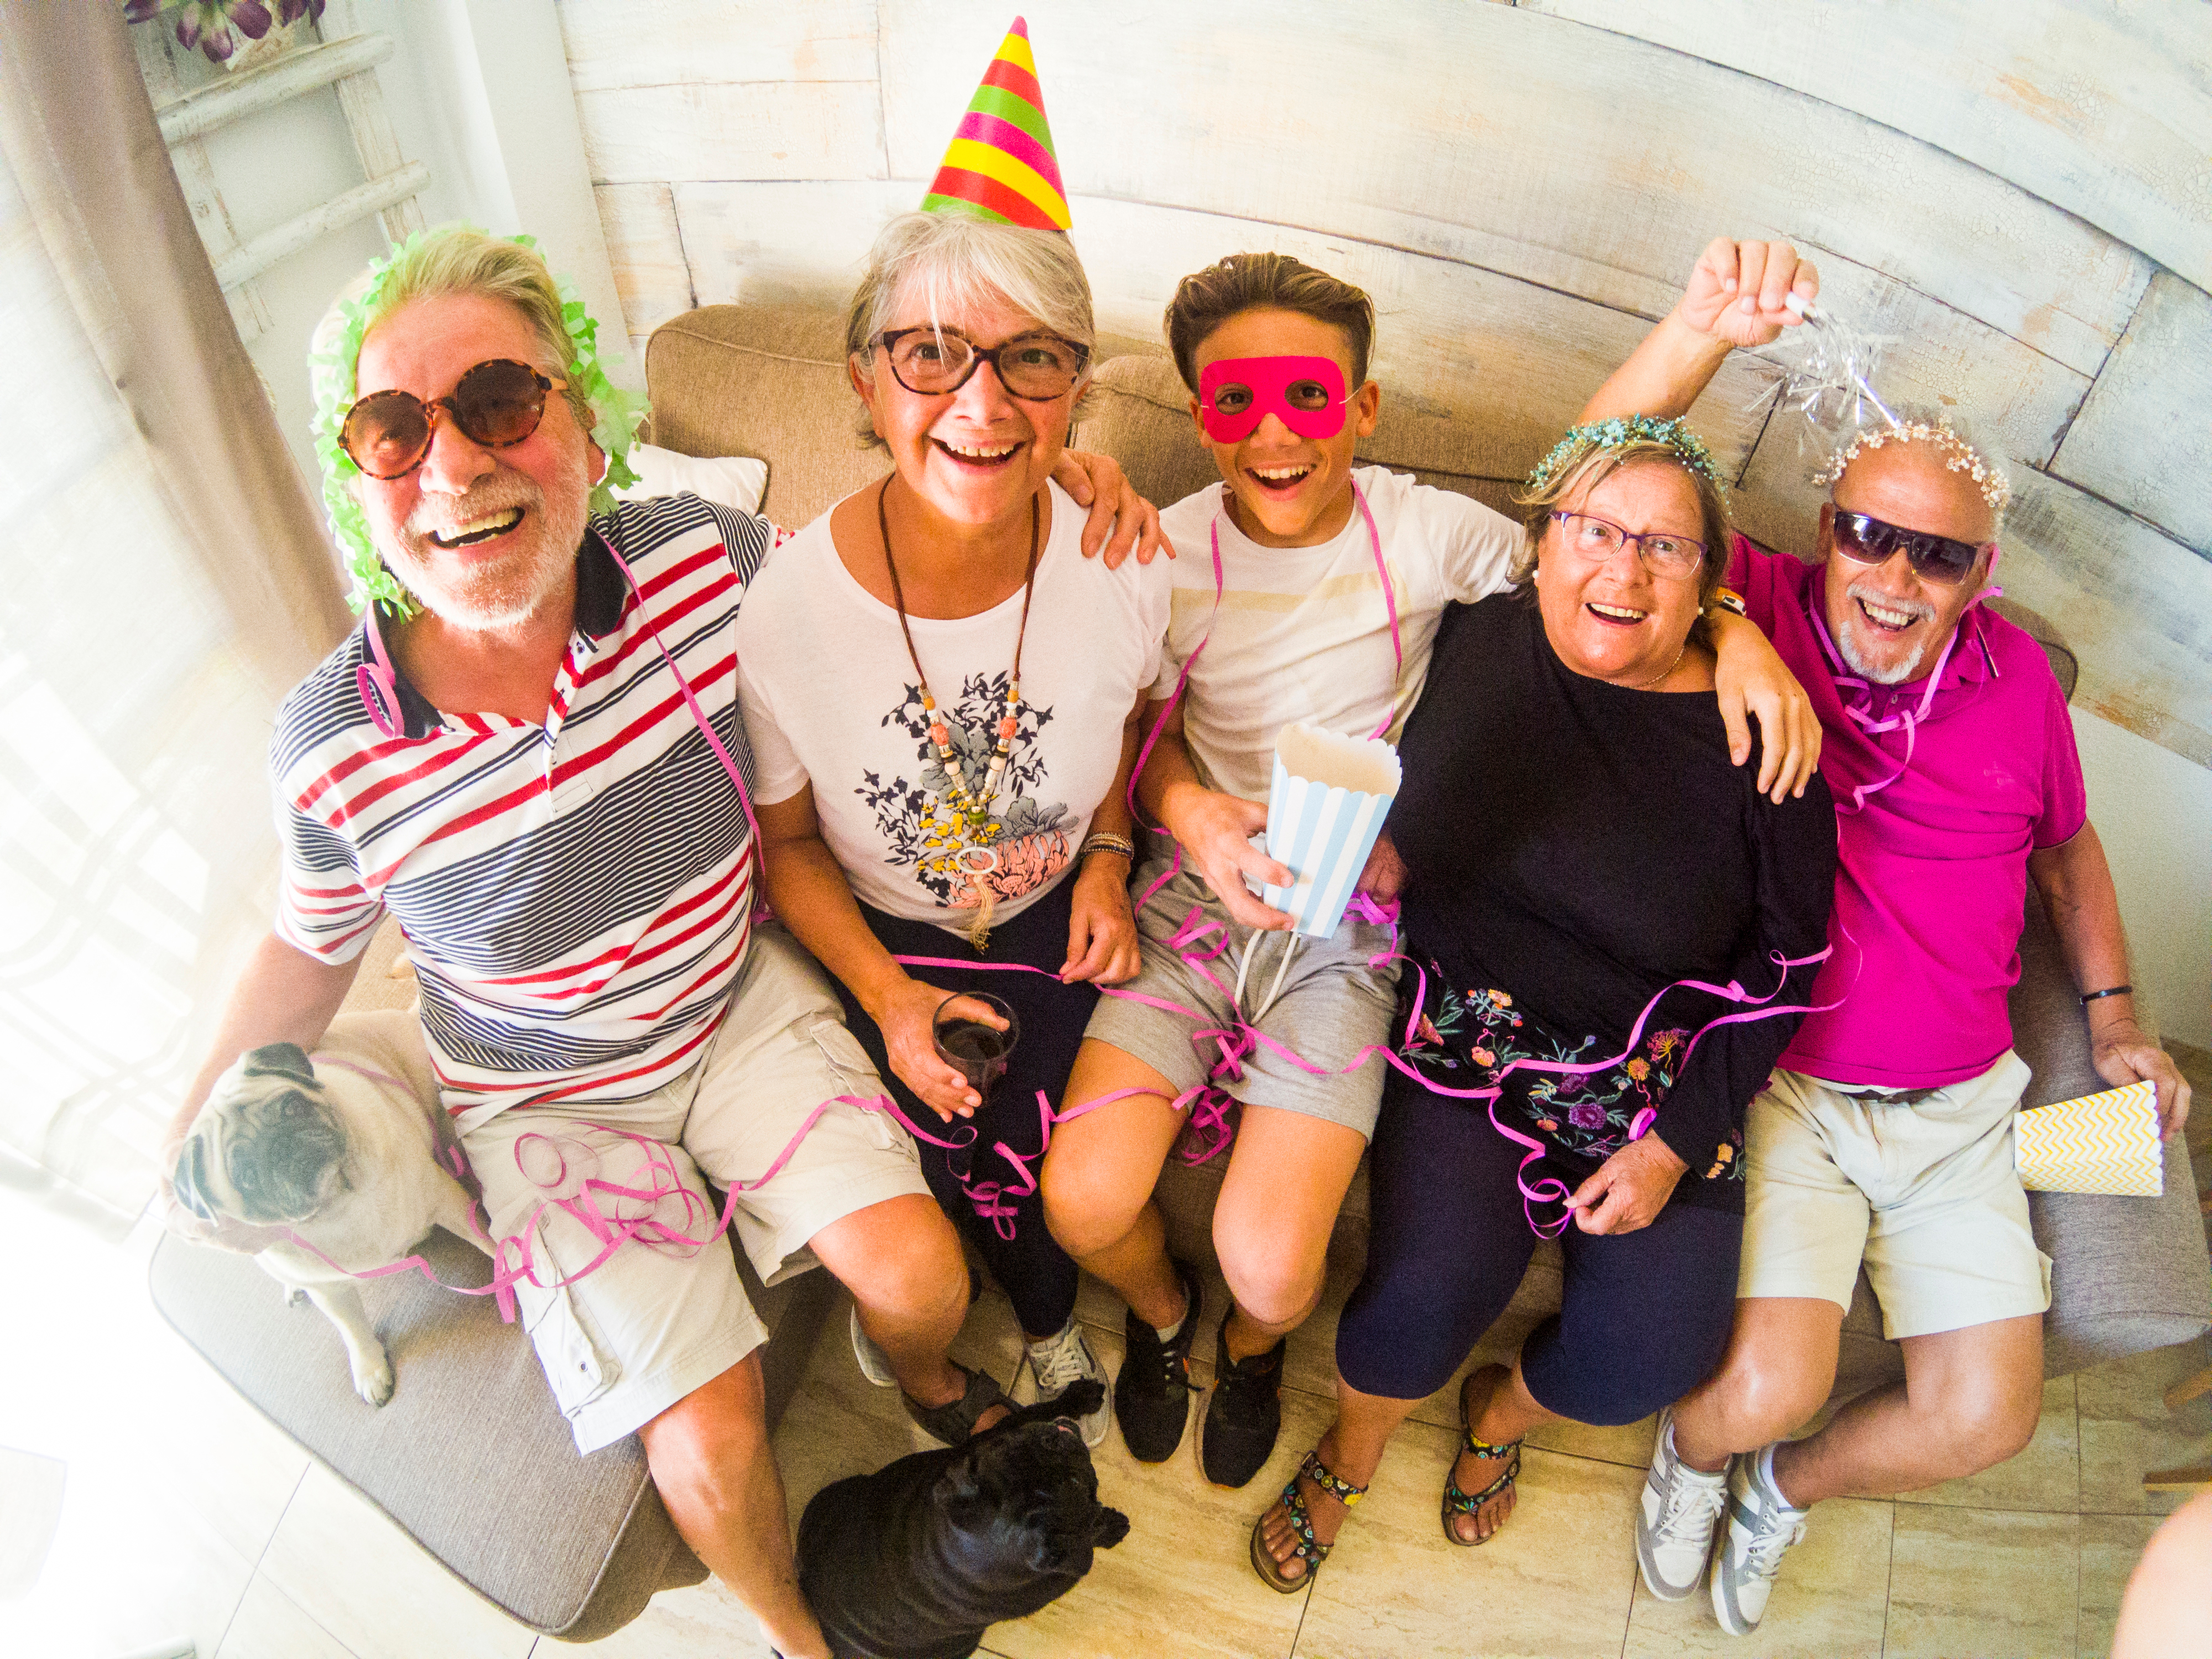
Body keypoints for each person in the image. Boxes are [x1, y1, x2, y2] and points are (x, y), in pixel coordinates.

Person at [156, 225, 1154, 1659]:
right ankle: (798, 1639)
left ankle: (925, 1381)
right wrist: (191, 1136)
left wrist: (1060, 489)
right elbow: (304, 954)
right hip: (543, 1096)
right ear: (354, 473)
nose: (453, 466)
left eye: (502, 403)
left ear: (584, 422)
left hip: (738, 1003)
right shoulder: (328, 745)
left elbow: (908, 566)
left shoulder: (708, 568)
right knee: (706, 1442)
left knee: (928, 1280)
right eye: (394, 430)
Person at [1041, 241, 1829, 1490]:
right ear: (1197, 415)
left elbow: (1602, 519)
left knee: (1273, 1265)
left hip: (1353, 922)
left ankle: (1248, 1344)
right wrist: (1177, 818)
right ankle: (1163, 1321)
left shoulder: (1435, 539)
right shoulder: (1157, 551)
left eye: (1308, 396)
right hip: (1203, 894)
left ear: (1361, 407)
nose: (1272, 432)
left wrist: (1731, 627)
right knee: (1079, 1202)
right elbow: (1120, 721)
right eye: (1233, 402)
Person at [1596, 320, 2195, 1634]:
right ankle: (1698, 1460)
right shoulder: (1748, 597)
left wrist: (2116, 1023)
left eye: (1938, 555)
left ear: (1976, 576)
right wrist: (1731, 629)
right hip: (1790, 1095)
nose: (1894, 576)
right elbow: (1602, 479)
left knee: (1984, 1418)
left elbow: (2067, 848)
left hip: (1961, 1109)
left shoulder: (2020, 681)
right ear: (1826, 530)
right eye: (1871, 535)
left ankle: (1782, 1490)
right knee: (1758, 1384)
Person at [1250, 415, 1839, 1589]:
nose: (1619, 570)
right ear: (1541, 540)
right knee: (1412, 1304)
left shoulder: (1756, 734)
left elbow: (1788, 964)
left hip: (1654, 1069)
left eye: (1663, 551)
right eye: (1593, 531)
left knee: (1640, 1362)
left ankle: (1500, 1415)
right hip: (1469, 1037)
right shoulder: (1473, 634)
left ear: (1707, 583)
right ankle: (1354, 1444)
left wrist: (1675, 1143)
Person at [739, 139, 1170, 1445]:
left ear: (1075, 387)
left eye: (1028, 356)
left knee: (1043, 1136)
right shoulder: (784, 613)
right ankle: (1042, 1328)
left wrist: (1105, 853)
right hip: (889, 939)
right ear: (866, 375)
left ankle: (1105, 1316)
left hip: (1057, 915)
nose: (980, 403)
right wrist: (888, 996)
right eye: (930, 352)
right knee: (951, 1143)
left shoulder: (1123, 556)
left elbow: (1136, 723)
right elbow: (791, 844)